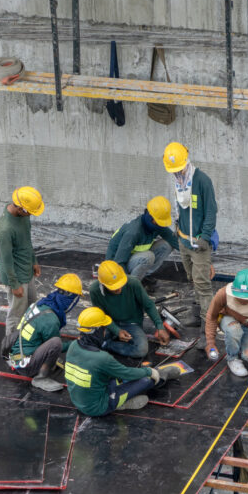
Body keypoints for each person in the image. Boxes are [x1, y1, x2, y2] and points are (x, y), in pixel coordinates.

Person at [64, 307, 180, 415]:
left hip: (79, 402)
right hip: (99, 407)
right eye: (104, 328)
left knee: (115, 378)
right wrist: (149, 372)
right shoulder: (101, 358)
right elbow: (127, 373)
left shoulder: (73, 346)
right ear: (98, 330)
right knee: (145, 380)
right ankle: (160, 376)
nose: (105, 332)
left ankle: (121, 398)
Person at [163, 141, 217, 327]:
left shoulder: (202, 181)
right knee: (192, 277)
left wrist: (205, 237)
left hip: (198, 243)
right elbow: (181, 207)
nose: (176, 173)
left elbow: (211, 211)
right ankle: (198, 307)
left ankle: (207, 324)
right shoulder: (179, 183)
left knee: (202, 284)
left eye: (178, 168)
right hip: (184, 240)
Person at [2, 273, 83, 392]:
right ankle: (40, 378)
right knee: (56, 343)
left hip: (15, 355)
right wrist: (75, 343)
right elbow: (56, 346)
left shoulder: (42, 304)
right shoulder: (51, 319)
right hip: (25, 365)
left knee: (51, 341)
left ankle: (37, 362)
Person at [88, 260, 169, 360]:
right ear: (102, 284)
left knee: (141, 350)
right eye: (114, 287)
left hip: (132, 324)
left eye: (120, 285)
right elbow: (100, 315)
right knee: (89, 339)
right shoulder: (95, 290)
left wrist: (160, 327)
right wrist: (116, 330)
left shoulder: (133, 283)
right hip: (108, 323)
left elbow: (149, 305)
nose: (119, 289)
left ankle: (106, 344)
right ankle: (106, 342)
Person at [204, 269, 248, 380]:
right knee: (234, 329)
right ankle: (232, 358)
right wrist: (210, 342)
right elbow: (211, 317)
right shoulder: (223, 294)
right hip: (229, 321)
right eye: (240, 297)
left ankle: (237, 345)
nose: (242, 300)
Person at [105, 196, 179, 291]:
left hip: (134, 259)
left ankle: (142, 276)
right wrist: (123, 286)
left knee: (166, 246)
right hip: (115, 267)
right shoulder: (133, 232)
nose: (159, 225)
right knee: (148, 257)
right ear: (149, 216)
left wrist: (193, 254)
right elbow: (119, 262)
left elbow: (174, 240)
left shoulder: (156, 224)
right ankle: (132, 286)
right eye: (157, 222)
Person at [0, 186, 44, 332]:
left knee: (31, 306)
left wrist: (34, 261)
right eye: (29, 211)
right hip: (16, 276)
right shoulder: (5, 229)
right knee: (16, 315)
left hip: (26, 269)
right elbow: (7, 259)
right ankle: (11, 348)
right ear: (20, 209)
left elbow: (27, 241)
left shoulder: (23, 216)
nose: (31, 214)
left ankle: (27, 337)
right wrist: (14, 284)